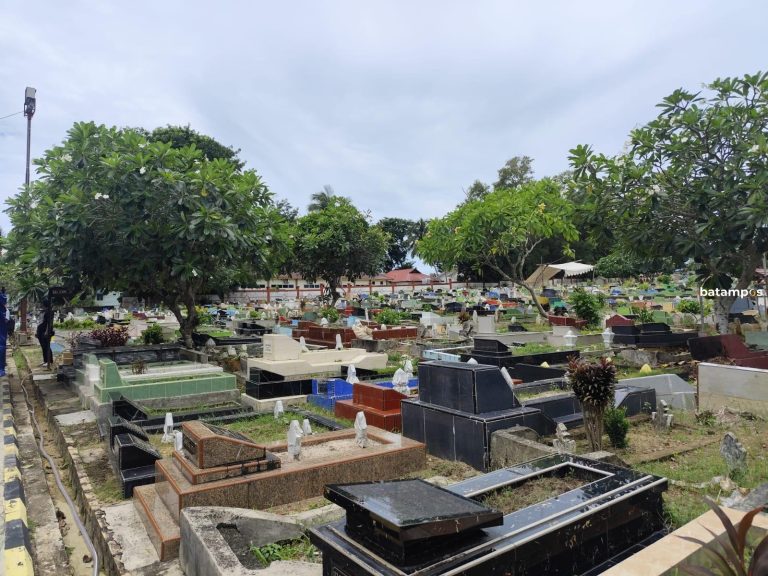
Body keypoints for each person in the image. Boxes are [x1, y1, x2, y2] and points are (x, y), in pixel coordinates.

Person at [36, 298, 54, 370]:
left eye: (43, 304)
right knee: (43, 346)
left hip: (45, 331)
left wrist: (47, 332)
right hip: (41, 331)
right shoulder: (44, 311)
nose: (42, 305)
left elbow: (49, 323)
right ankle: (45, 360)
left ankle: (49, 360)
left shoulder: (49, 312)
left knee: (46, 346)